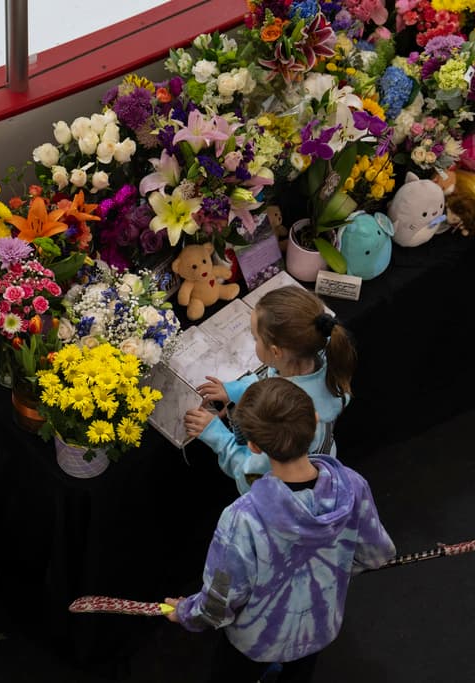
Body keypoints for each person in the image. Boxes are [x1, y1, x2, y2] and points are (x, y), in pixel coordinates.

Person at [166, 378, 395, 683]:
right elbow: (376, 554)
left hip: (257, 641)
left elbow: (220, 602)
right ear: (314, 420)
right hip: (319, 626)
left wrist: (186, 612)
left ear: (254, 445)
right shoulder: (353, 485)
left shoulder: (241, 519)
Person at [184, 286, 356, 495]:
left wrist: (216, 434)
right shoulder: (320, 352)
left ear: (276, 351)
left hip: (289, 493)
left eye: (256, 338)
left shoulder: (286, 416)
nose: (254, 342)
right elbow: (274, 375)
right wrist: (234, 391)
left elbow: (251, 473)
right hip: (322, 460)